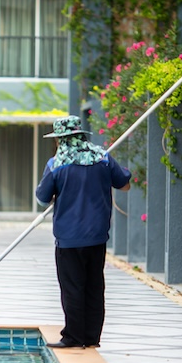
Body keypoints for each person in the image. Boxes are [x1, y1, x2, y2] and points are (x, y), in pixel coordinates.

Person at [35, 115, 131, 349]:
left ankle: (74, 337)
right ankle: (91, 337)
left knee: (72, 287)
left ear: (60, 140)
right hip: (97, 235)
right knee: (94, 286)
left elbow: (41, 198)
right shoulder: (103, 158)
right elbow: (125, 184)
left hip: (69, 237)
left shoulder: (56, 164)